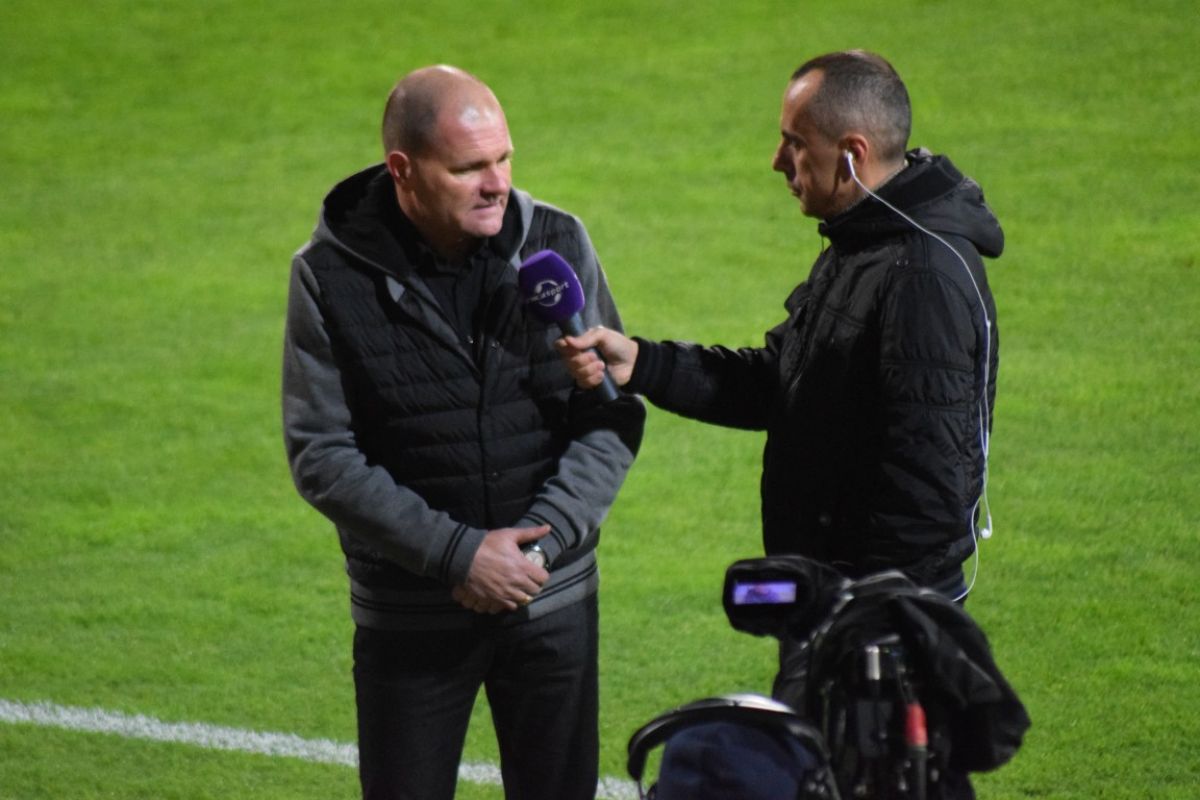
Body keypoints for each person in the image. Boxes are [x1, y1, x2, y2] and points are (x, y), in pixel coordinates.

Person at [282, 65, 644, 800]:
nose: (497, 183)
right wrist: (460, 555)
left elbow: (612, 412)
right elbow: (321, 455)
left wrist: (540, 545)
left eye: (504, 158)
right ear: (403, 170)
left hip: (550, 600)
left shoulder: (556, 243)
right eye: (469, 167)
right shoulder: (329, 275)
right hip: (412, 620)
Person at [557, 50, 1002, 601]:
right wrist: (643, 363)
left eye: (795, 142)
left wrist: (861, 614)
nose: (777, 161)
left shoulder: (922, 275)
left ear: (853, 153)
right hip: (832, 592)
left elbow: (928, 490)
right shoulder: (865, 242)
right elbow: (782, 383)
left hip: (877, 611)